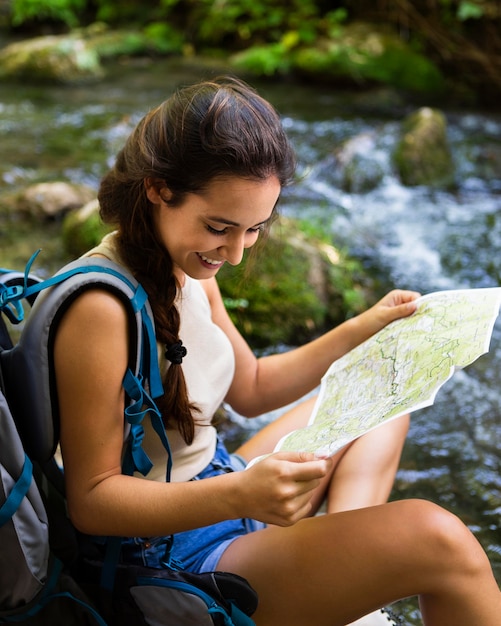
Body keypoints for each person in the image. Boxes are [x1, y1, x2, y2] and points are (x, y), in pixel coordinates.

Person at [53, 76, 501, 625]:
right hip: (164, 556)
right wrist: (241, 496)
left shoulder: (188, 262)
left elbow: (254, 387)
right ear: (157, 188)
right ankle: (346, 573)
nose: (237, 253)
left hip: (219, 484)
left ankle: (344, 567)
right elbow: (92, 501)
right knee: (441, 541)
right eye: (220, 227)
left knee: (381, 405)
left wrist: (364, 329)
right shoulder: (99, 306)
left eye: (255, 229)